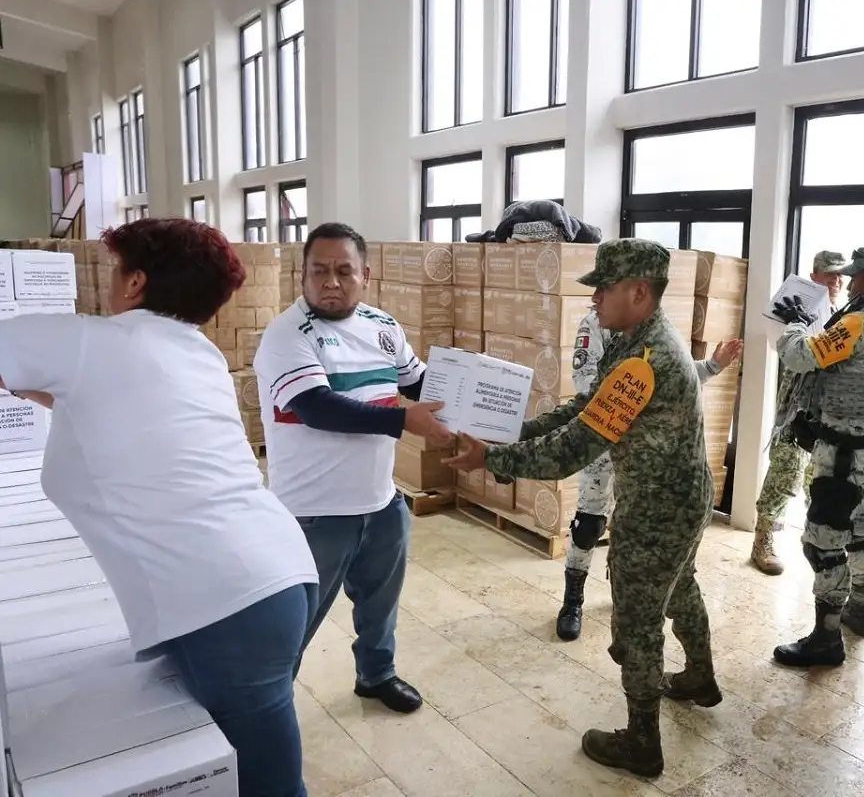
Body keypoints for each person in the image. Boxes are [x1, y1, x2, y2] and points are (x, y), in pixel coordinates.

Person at [0, 218, 319, 797]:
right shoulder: (195, 355)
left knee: (270, 787)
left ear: (136, 282)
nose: (106, 286)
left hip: (231, 606)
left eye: (114, 270)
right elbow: (92, 403)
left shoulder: (92, 343)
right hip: (269, 580)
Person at [446, 238, 717, 779]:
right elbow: (584, 407)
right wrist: (510, 432)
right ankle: (699, 677)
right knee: (680, 585)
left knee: (637, 620)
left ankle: (642, 740)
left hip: (658, 509)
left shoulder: (646, 359)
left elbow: (575, 448)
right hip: (682, 498)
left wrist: (491, 458)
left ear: (639, 292)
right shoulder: (637, 341)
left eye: (604, 289)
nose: (594, 300)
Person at [253, 222, 453, 716]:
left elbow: (419, 381)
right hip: (314, 514)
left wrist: (477, 399)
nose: (331, 281)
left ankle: (376, 675)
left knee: (380, 606)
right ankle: (265, 707)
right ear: (302, 276)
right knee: (292, 623)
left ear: (367, 275)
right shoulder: (287, 336)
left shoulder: (383, 327)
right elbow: (320, 409)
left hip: (381, 502)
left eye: (344, 270)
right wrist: (406, 420)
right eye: (319, 271)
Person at [772, 247, 864, 663]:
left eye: (856, 277)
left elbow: (802, 356)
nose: (851, 283)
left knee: (822, 543)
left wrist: (795, 326)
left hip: (842, 457)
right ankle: (859, 609)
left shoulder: (860, 322)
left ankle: (826, 637)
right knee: (860, 534)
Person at [555, 308, 742, 641]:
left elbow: (678, 377)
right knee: (588, 526)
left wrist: (713, 366)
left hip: (645, 453)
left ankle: (623, 588)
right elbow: (587, 385)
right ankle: (572, 601)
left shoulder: (660, 328)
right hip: (604, 443)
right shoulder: (597, 322)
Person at [753, 251, 848, 575]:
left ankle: (816, 542)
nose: (837, 281)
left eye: (840, 276)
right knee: (786, 471)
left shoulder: (843, 313)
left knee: (818, 478)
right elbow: (787, 350)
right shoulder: (800, 307)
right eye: (830, 275)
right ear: (814, 276)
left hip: (828, 408)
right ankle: (763, 539)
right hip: (797, 404)